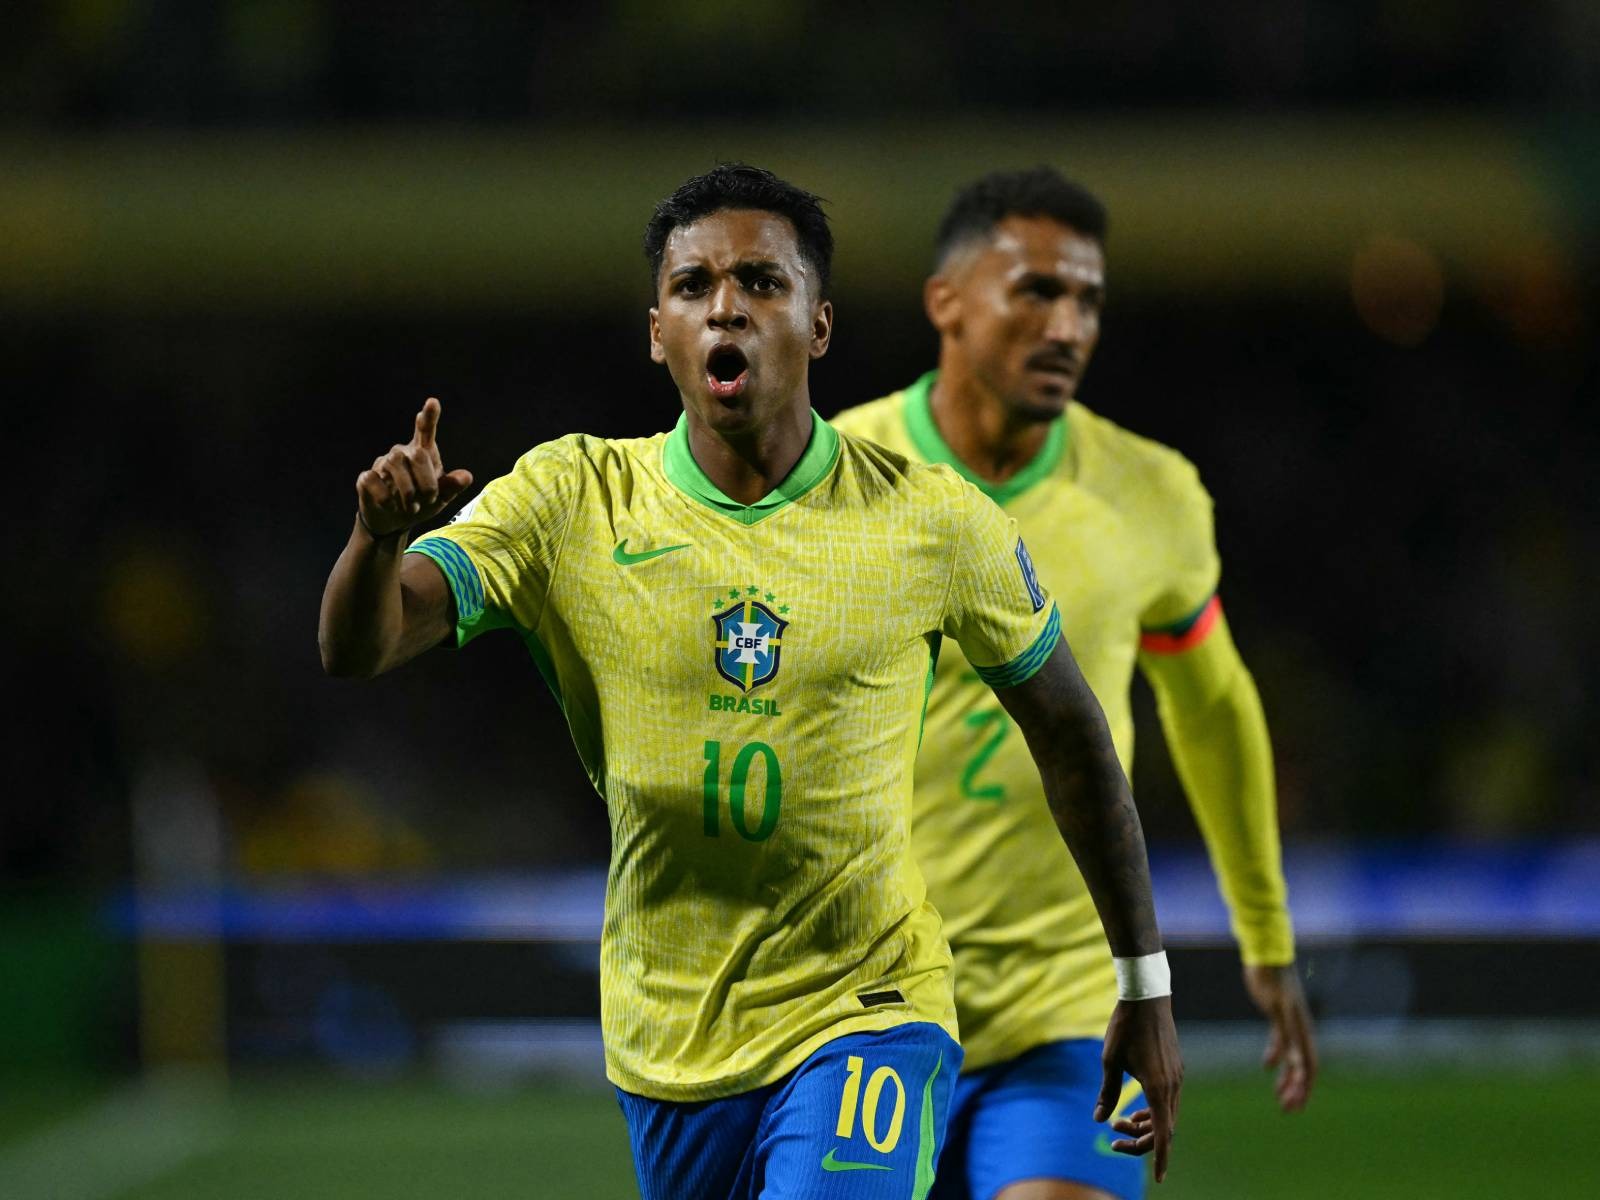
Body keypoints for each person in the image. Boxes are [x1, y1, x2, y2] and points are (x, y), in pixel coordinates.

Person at [318, 163, 1182, 1200]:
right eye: (693, 287)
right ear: (657, 332)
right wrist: (376, 540)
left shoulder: (933, 524)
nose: (725, 305)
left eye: (762, 283)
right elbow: (363, 645)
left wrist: (1142, 978)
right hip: (670, 1036)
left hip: (869, 1005)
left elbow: (1073, 736)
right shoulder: (571, 500)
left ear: (818, 325)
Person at [833, 167, 1316, 1200]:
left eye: (1088, 300)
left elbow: (1213, 708)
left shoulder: (1151, 493)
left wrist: (1264, 936)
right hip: (854, 1012)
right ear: (945, 303)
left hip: (1070, 1012)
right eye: (1038, 291)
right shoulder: (833, 475)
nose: (1069, 325)